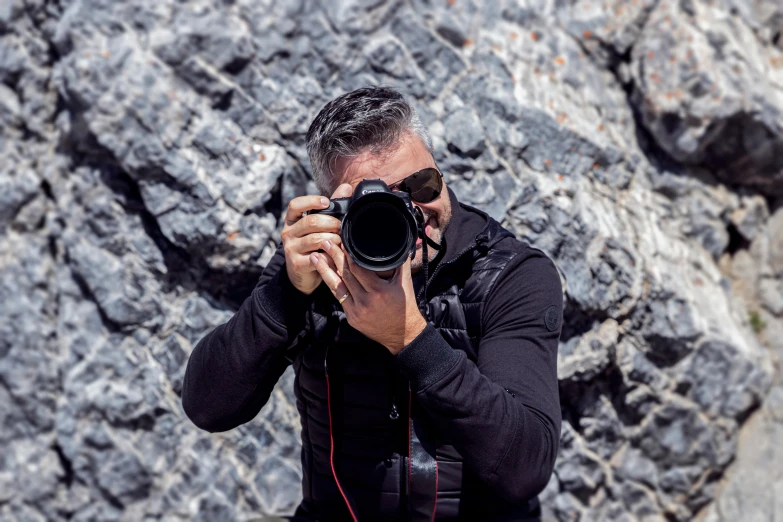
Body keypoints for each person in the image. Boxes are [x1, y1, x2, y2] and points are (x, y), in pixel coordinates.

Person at [182, 86, 563, 521]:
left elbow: (525, 467)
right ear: (334, 207)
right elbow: (208, 407)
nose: (414, 212)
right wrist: (284, 293)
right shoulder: (319, 265)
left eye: (422, 186)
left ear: (441, 173)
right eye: (380, 201)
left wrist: (410, 340)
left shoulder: (508, 274)